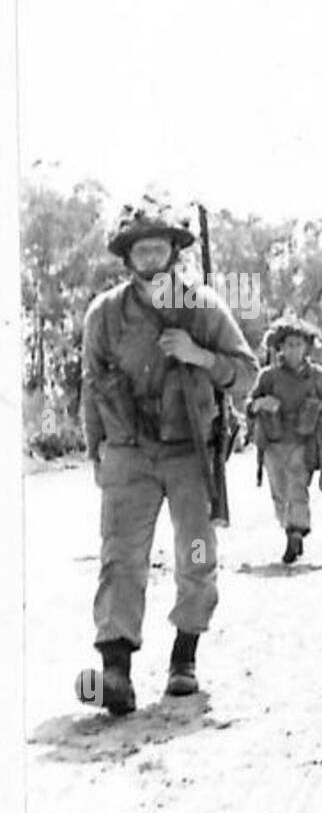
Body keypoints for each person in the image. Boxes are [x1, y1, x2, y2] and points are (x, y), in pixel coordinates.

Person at [80, 198, 258, 714]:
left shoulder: (202, 306)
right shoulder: (105, 315)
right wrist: (97, 452)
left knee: (196, 554)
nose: (152, 256)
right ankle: (115, 669)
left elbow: (244, 372)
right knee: (120, 559)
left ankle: (185, 657)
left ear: (175, 252)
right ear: (128, 257)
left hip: (189, 452)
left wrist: (198, 355)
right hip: (129, 454)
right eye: (142, 248)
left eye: (161, 246)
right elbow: (91, 388)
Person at [246, 314, 322, 563]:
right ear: (279, 347)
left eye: (299, 344)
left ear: (307, 347)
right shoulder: (268, 376)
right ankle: (289, 526)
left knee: (297, 485)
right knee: (279, 491)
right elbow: (250, 404)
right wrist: (261, 403)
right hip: (273, 442)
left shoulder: (317, 376)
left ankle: (296, 531)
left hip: (304, 441)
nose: (294, 350)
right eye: (289, 344)